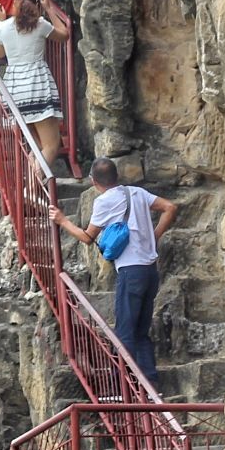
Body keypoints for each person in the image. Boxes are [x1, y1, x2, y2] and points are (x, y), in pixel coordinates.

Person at [46, 158, 176, 391]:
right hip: (150, 271)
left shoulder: (104, 201)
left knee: (124, 331)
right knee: (140, 330)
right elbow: (170, 207)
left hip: (130, 271)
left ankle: (123, 386)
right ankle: (150, 382)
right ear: (117, 176)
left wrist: (62, 221)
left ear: (93, 181)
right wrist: (153, 236)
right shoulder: (137, 192)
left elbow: (87, 237)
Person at [0, 0, 66, 175]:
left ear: (14, 5)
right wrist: (50, 9)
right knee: (51, 145)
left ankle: (31, 185)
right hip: (37, 86)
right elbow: (64, 34)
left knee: (37, 146)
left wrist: (0, 22)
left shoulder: (3, 26)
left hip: (14, 89)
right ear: (36, 6)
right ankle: (32, 186)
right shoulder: (40, 25)